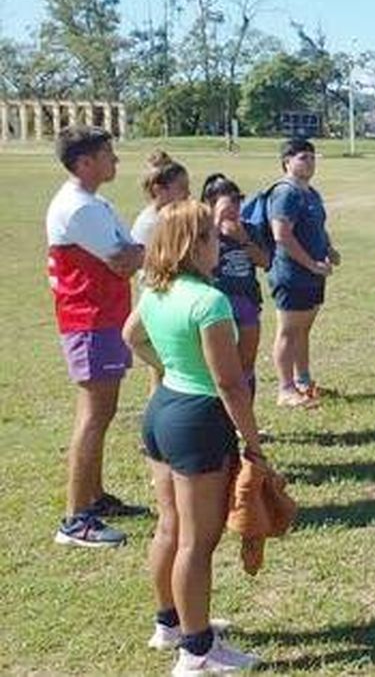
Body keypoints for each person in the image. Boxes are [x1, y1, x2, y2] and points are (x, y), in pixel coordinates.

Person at [122, 201, 264, 673]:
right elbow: (229, 384)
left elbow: (132, 336)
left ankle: (170, 623)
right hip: (198, 421)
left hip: (162, 412)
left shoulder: (156, 289)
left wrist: (168, 368)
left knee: (170, 528)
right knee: (196, 544)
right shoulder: (209, 301)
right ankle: (197, 651)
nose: (219, 243)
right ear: (193, 244)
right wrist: (254, 444)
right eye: (211, 235)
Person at [46, 126, 148, 547]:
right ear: (85, 162)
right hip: (90, 320)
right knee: (93, 416)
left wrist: (137, 253)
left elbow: (132, 249)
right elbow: (126, 261)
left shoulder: (95, 202)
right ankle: (75, 520)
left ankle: (95, 497)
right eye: (108, 154)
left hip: (103, 317)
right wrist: (139, 254)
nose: (116, 160)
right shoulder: (79, 208)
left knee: (101, 415)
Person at [267, 138, 338, 408]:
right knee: (288, 331)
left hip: (314, 272)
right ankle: (285, 389)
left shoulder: (311, 193)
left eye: (311, 156)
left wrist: (329, 249)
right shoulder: (286, 193)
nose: (309, 162)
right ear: (287, 161)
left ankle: (303, 381)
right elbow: (281, 235)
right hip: (292, 274)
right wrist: (310, 264)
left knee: (303, 330)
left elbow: (318, 226)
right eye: (302, 157)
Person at [201, 174, 270, 401]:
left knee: (246, 362)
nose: (235, 210)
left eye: (238, 203)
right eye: (228, 205)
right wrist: (213, 231)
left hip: (247, 302)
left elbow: (265, 262)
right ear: (210, 205)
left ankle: (245, 415)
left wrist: (243, 239)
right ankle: (217, 414)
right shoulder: (201, 233)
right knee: (217, 365)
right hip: (216, 306)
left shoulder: (248, 229)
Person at [131, 151, 191, 246]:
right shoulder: (153, 224)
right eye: (182, 187)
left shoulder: (170, 218)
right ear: (158, 191)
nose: (188, 193)